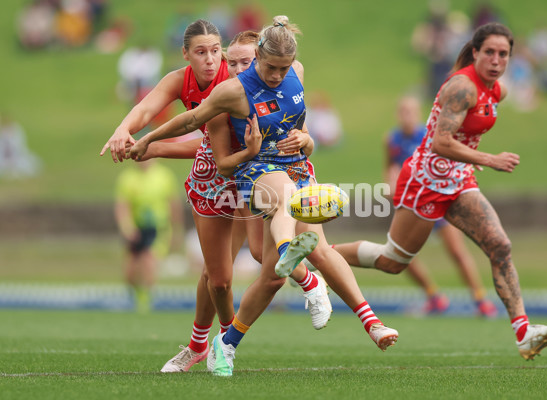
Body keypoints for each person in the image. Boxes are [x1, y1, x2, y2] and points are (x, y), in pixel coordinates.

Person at [128, 15, 399, 377]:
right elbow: (193, 124)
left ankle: (369, 324)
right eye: (270, 68)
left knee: (283, 269)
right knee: (273, 225)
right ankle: (290, 255)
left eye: (282, 68)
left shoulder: (295, 71)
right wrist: (147, 140)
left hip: (298, 166)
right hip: (259, 170)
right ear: (258, 59)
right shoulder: (232, 91)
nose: (276, 75)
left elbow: (303, 128)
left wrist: (308, 140)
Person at [101, 23, 331, 373]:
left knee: (260, 253)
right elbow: (155, 115)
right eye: (200, 52)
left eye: (215, 51)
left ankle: (235, 336)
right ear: (186, 54)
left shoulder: (241, 77)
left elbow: (288, 119)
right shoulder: (181, 81)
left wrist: (156, 146)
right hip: (214, 180)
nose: (211, 60)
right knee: (218, 278)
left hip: (252, 174)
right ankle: (207, 344)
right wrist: (125, 130)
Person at [334, 23, 547, 360]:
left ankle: (524, 333)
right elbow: (440, 141)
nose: (497, 60)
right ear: (475, 53)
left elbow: (467, 133)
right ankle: (324, 255)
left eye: (504, 54)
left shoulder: (498, 90)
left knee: (500, 245)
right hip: (425, 182)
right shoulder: (461, 87)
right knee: (392, 261)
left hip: (459, 182)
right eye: (490, 53)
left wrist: (471, 158)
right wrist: (488, 158)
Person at [342, 95, 498, 317]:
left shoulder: (431, 135)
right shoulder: (392, 139)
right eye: (403, 111)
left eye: (411, 112)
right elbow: (390, 166)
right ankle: (434, 297)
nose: (407, 116)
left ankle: (481, 301)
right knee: (398, 255)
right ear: (398, 114)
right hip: (412, 203)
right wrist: (389, 184)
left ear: (418, 114)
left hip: (438, 201)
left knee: (456, 250)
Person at [114, 159, 183, 312]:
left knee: (148, 260)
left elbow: (173, 204)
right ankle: (134, 297)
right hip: (136, 228)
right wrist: (127, 227)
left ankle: (146, 302)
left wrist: (176, 230)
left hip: (158, 227)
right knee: (130, 270)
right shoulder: (127, 178)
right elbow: (122, 206)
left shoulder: (164, 176)